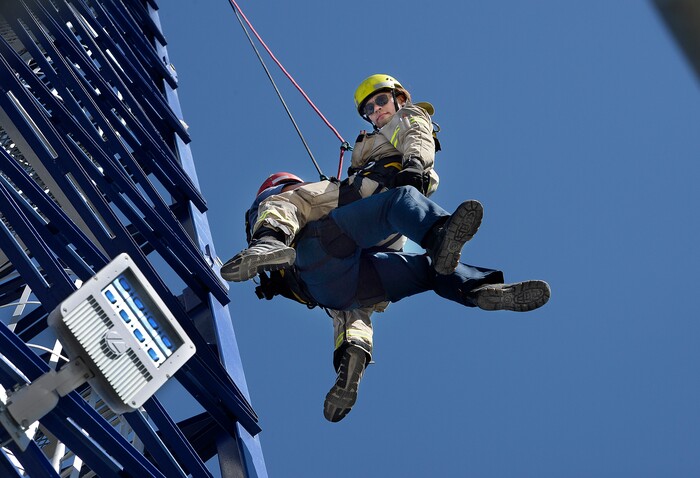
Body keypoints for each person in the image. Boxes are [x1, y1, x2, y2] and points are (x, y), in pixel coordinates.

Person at [222, 175, 551, 422]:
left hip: (329, 285)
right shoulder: (283, 196)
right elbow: (304, 205)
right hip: (317, 250)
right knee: (400, 202)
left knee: (422, 271)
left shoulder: (271, 211)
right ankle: (456, 264)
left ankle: (476, 289)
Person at [223, 74, 444, 422]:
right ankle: (352, 353)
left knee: (294, 199)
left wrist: (415, 168)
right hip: (384, 228)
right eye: (369, 109)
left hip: (373, 192)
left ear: (399, 98)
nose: (376, 111)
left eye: (381, 102)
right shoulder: (375, 137)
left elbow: (418, 138)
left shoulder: (407, 116)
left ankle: (268, 242)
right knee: (352, 300)